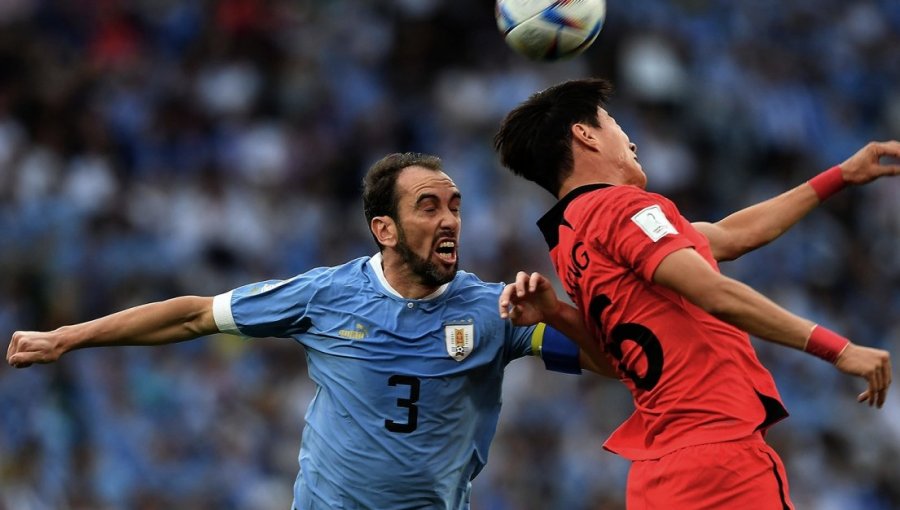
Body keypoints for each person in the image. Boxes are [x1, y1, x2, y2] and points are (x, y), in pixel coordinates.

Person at [6, 152, 610, 510]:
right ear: (386, 229)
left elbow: (611, 364)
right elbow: (194, 313)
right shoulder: (325, 296)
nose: (449, 218)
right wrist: (67, 337)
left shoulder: (492, 310)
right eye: (429, 206)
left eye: (454, 205)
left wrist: (556, 314)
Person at [493, 77, 898, 509]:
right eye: (614, 123)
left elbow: (728, 236)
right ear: (585, 134)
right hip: (721, 456)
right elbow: (713, 293)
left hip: (659, 475)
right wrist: (838, 349)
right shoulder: (623, 208)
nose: (629, 140)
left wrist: (841, 176)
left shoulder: (572, 242)